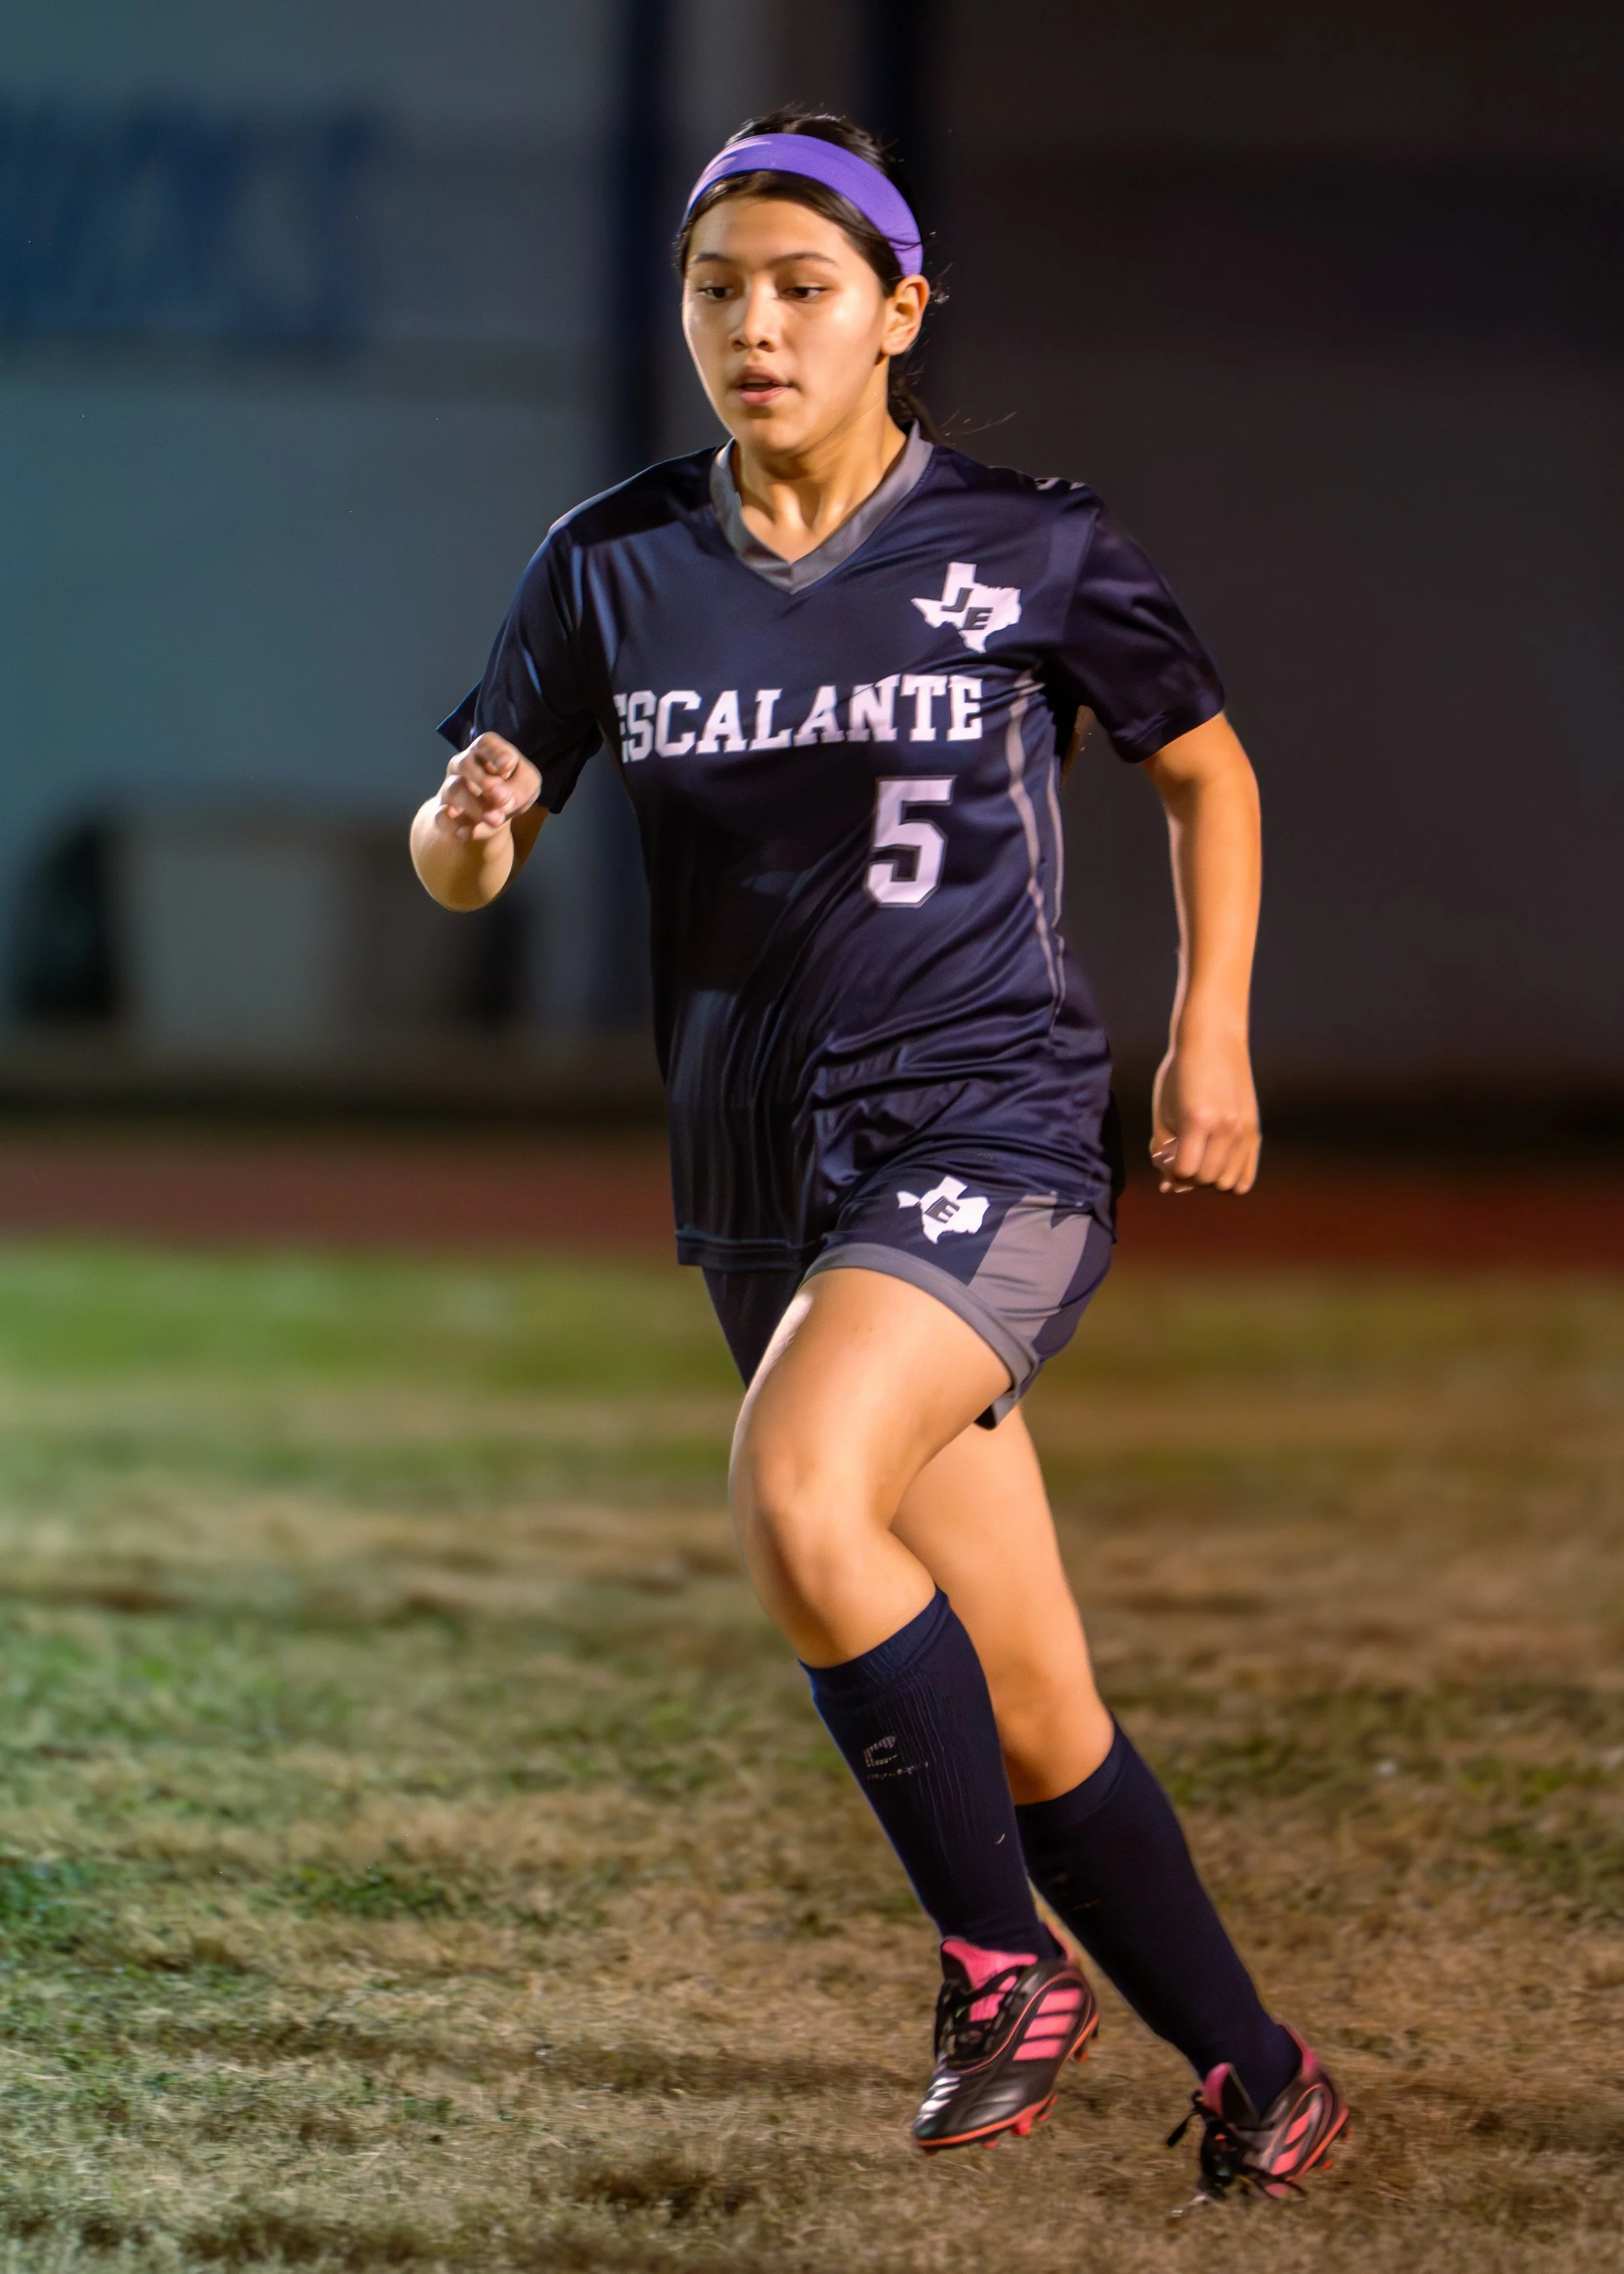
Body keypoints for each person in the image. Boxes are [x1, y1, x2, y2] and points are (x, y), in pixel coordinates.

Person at [411, 107, 1347, 2208]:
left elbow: (1207, 772)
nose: (756, 325)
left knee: (797, 1487)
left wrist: (1210, 1038)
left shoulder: (1034, 545)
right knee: (1028, 1706)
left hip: (986, 1125)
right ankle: (1263, 2071)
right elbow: (466, 849)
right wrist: (467, 834)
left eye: (804, 288)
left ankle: (998, 1966)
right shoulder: (610, 561)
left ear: (897, 314)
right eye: (717, 287)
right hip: (760, 1167)